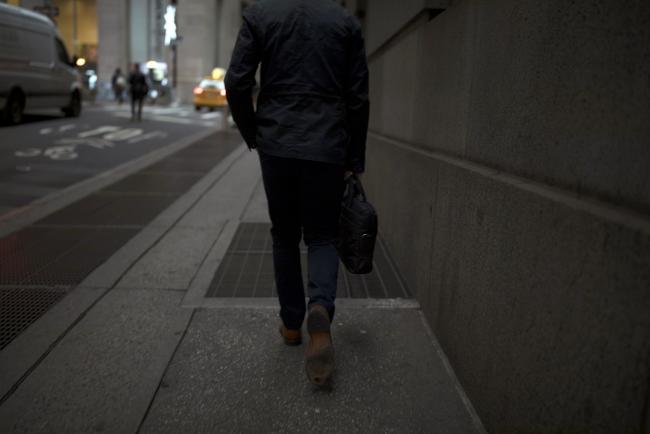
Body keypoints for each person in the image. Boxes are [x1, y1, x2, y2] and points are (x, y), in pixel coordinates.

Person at [225, 0, 369, 386]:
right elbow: (358, 96)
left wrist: (252, 131)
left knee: (284, 234)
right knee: (322, 234)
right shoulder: (344, 23)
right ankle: (319, 308)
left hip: (277, 142)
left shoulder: (260, 15)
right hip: (327, 143)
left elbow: (236, 81)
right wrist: (354, 156)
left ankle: (291, 324)